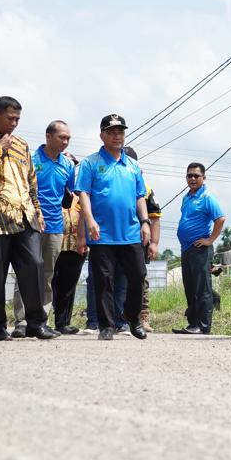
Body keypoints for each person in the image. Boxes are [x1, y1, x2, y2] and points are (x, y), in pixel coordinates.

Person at [0, 96, 58, 341]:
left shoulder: (21, 144)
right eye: (10, 118)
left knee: (34, 267)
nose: (14, 123)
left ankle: (36, 324)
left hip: (24, 217)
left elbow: (31, 181)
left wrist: (37, 210)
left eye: (17, 119)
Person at [75, 114, 150, 341]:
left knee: (138, 276)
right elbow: (84, 193)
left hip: (130, 232)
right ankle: (106, 325)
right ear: (102, 135)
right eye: (112, 132)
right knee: (103, 281)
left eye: (120, 132)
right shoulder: (91, 163)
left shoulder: (133, 165)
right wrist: (90, 220)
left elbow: (140, 196)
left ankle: (132, 317)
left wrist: (145, 222)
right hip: (102, 233)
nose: (117, 136)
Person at [12, 120, 75, 337]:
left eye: (68, 138)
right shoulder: (31, 159)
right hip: (30, 224)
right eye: (61, 137)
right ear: (48, 136)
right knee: (27, 271)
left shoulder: (68, 165)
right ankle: (21, 321)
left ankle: (41, 320)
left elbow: (69, 195)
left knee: (47, 274)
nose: (65, 142)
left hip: (56, 226)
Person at [173, 163, 225, 335]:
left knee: (202, 288)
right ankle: (193, 323)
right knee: (190, 287)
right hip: (186, 249)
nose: (193, 178)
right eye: (189, 175)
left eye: (196, 175)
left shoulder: (207, 197)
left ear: (204, 178)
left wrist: (210, 240)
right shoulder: (187, 197)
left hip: (200, 249)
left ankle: (203, 325)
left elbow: (220, 219)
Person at [125, 147, 161, 333]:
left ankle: (143, 317)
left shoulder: (146, 190)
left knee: (140, 279)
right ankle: (116, 319)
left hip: (139, 241)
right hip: (115, 239)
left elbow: (154, 217)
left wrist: (153, 243)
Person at [51, 157, 86, 335]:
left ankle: (62, 322)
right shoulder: (52, 186)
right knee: (48, 281)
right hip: (53, 239)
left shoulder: (82, 192)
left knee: (68, 285)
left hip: (75, 244)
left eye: (73, 165)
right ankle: (39, 319)